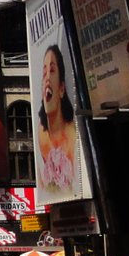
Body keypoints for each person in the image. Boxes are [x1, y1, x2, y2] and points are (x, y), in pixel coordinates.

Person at [37, 44, 78, 195]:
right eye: (44, 71)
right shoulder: (41, 133)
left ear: (61, 88)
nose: (47, 77)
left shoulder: (73, 137)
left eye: (52, 70)